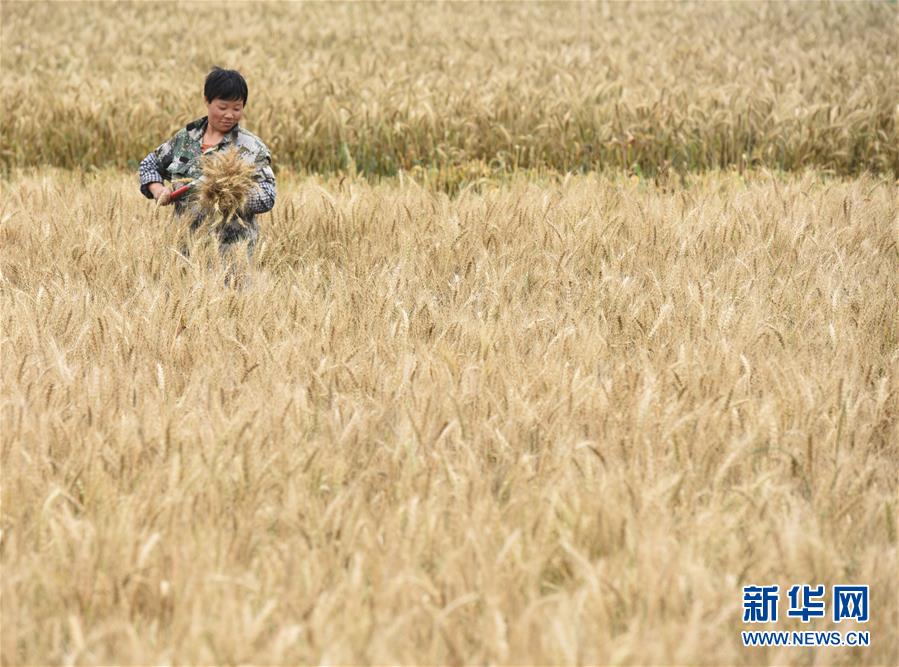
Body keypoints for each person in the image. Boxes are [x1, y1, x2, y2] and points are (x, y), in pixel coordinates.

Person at [138, 67, 275, 262]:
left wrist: (230, 193)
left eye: (237, 108)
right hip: (183, 252)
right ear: (207, 101)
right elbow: (149, 165)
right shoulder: (185, 139)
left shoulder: (251, 148)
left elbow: (268, 197)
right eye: (222, 107)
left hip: (232, 256)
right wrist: (158, 190)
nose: (230, 115)